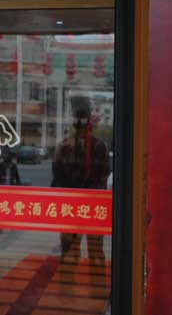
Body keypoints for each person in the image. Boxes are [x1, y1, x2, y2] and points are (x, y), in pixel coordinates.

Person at [52, 95, 109, 264]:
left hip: (88, 205)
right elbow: (57, 174)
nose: (81, 123)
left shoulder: (97, 146)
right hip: (76, 206)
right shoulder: (65, 146)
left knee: (93, 252)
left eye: (82, 118)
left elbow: (104, 174)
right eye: (79, 118)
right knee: (72, 253)